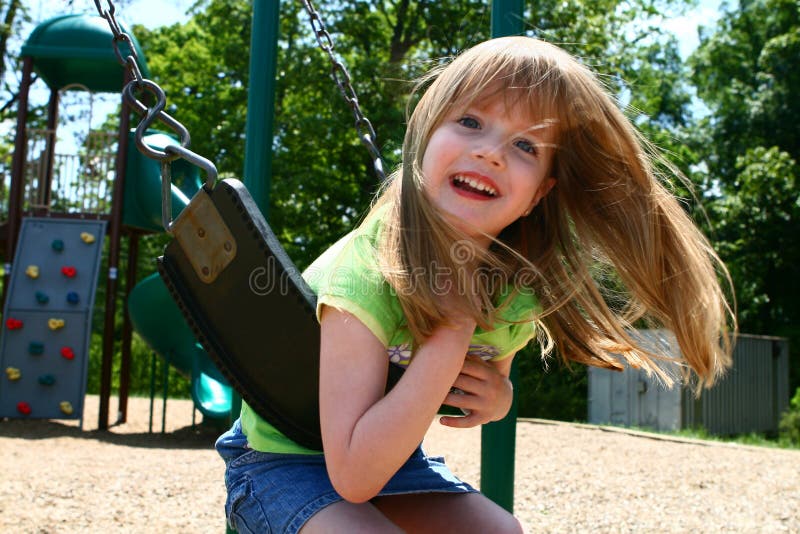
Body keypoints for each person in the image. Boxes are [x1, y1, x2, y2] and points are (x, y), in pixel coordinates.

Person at [216, 36, 734, 533]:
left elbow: (489, 379)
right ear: (425, 133)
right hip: (281, 462)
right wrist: (455, 324)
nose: (490, 152)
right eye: (469, 121)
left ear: (539, 194)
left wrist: (499, 398)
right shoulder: (363, 278)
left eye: (526, 146)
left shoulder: (515, 291)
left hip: (393, 464)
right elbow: (352, 476)